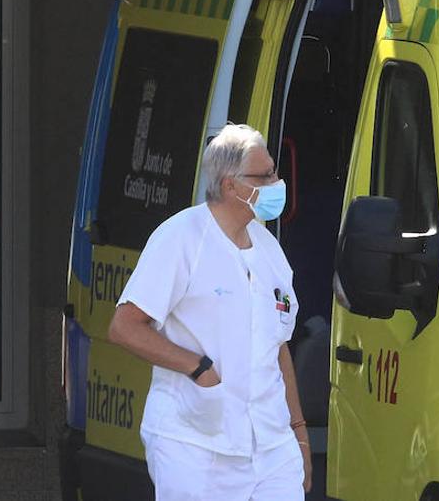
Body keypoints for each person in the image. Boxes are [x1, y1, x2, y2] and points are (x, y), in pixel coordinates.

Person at [108, 124, 310, 500]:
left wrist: (298, 432)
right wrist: (198, 367)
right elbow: (124, 327)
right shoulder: (181, 237)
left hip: (270, 447)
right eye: (264, 175)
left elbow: (277, 347)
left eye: (274, 171)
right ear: (231, 185)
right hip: (194, 445)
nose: (276, 181)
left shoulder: (270, 251)